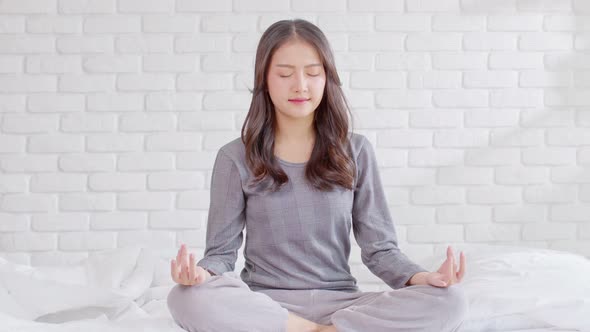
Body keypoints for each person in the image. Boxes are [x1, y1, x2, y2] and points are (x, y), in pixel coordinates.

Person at [167, 19, 468, 332]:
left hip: (341, 303)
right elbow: (220, 255)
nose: (300, 85)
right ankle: (310, 330)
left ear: (327, 78)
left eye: (312, 73)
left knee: (452, 301)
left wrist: (426, 279)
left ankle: (330, 328)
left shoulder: (356, 150)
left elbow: (381, 251)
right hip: (267, 306)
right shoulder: (234, 157)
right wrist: (199, 276)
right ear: (265, 79)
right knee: (184, 297)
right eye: (285, 74)